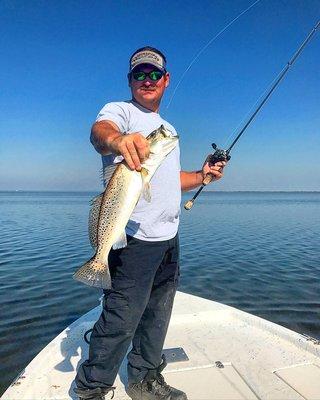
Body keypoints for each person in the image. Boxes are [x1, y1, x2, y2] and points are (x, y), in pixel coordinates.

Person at [74, 46, 226, 400]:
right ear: (129, 81)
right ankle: (92, 388)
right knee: (120, 319)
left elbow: (169, 181)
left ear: (166, 80)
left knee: (158, 314)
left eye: (154, 74)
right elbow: (100, 134)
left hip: (169, 238)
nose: (147, 80)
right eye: (139, 74)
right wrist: (117, 139)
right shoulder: (121, 112)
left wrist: (202, 176)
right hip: (133, 240)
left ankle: (144, 378)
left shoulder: (168, 130)